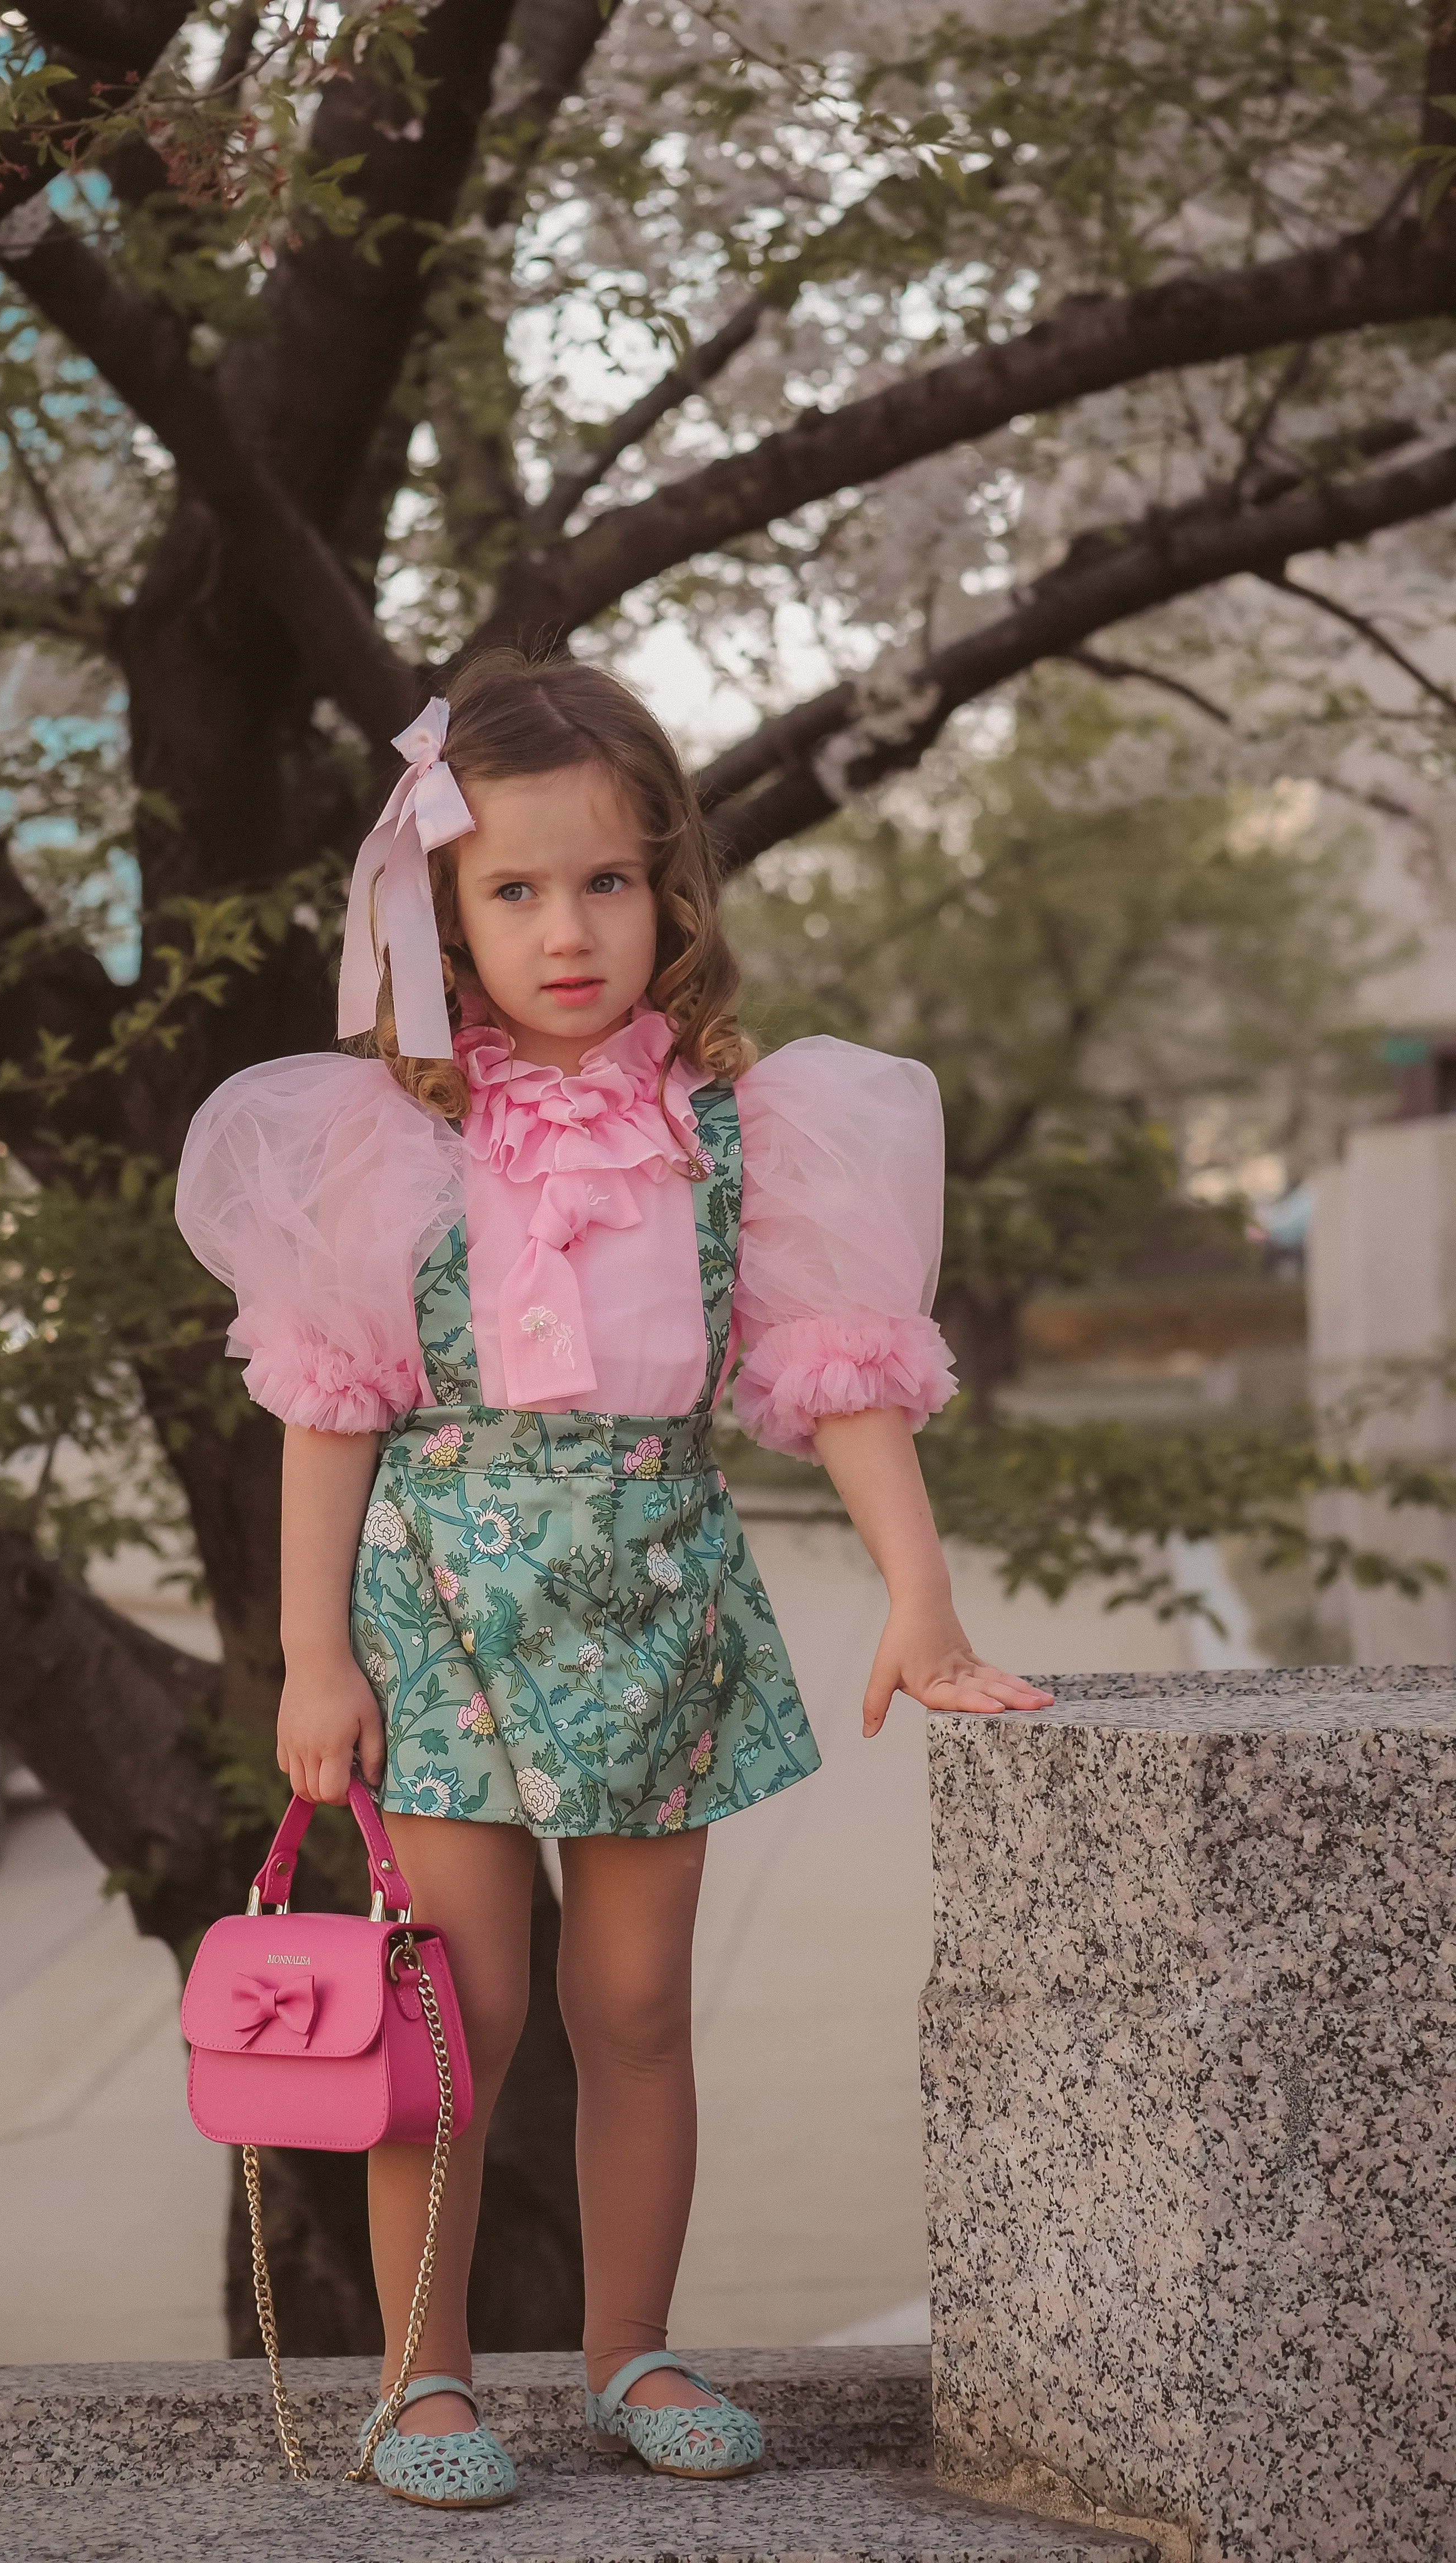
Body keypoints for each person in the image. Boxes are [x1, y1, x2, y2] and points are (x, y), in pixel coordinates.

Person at [175, 649, 1052, 2510]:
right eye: (513, 890)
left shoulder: (741, 1129)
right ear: (442, 915)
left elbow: (845, 1379)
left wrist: (924, 1601)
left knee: (634, 2008)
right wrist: (312, 1656)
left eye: (606, 882)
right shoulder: (391, 1140)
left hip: (660, 1615)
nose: (566, 930)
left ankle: (632, 2345)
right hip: (447, 1622)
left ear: (670, 892)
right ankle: (422, 2380)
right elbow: (331, 1412)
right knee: (458, 2021)